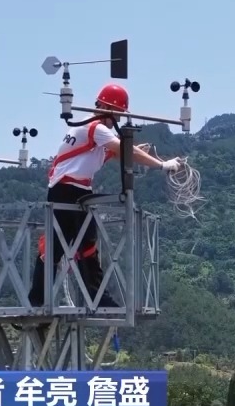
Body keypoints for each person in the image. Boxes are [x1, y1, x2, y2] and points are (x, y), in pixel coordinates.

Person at [28, 82, 181, 309]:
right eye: (117, 114)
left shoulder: (88, 128)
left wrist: (135, 151)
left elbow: (117, 152)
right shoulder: (96, 128)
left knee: (81, 246)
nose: (117, 119)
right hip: (68, 190)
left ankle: (90, 298)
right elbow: (124, 150)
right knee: (62, 246)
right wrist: (162, 165)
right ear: (109, 109)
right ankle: (45, 300)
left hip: (72, 190)